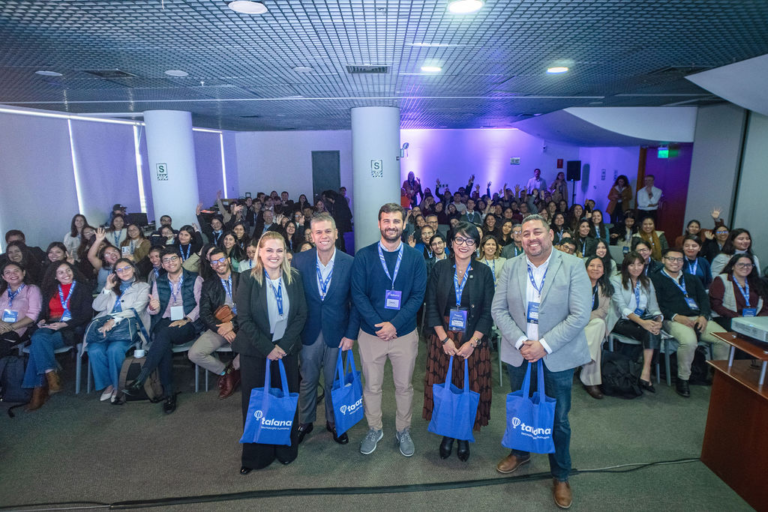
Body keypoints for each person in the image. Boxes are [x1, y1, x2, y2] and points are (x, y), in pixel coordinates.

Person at [491, 214, 591, 509]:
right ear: (519, 238)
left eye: (537, 232)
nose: (531, 238)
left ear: (550, 235)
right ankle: (520, 454)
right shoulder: (510, 266)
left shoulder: (573, 265)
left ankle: (560, 474)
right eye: (525, 233)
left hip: (556, 354)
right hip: (520, 352)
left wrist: (544, 346)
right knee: (521, 407)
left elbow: (580, 315)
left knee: (557, 418)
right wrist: (522, 342)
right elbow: (498, 310)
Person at [351, 203, 427, 457]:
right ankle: (375, 428)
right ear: (379, 223)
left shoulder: (415, 258)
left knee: (404, 386)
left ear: (404, 224)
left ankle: (403, 429)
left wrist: (394, 324)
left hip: (403, 334)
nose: (391, 226)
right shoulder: (364, 256)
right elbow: (358, 295)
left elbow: (417, 296)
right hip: (370, 334)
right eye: (386, 221)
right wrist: (379, 325)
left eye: (396, 221)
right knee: (372, 386)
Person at [234, 232, 308, 473]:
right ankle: (256, 456)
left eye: (279, 250)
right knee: (256, 404)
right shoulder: (247, 278)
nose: (274, 255)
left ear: (285, 253)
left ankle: (285, 450)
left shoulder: (294, 277)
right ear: (260, 252)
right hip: (256, 351)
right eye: (269, 250)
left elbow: (301, 315)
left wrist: (283, 346)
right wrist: (268, 348)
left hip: (286, 350)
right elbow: (244, 319)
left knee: (286, 399)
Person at [423, 223, 494, 462]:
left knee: (468, 386)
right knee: (446, 385)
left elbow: (488, 312)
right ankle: (447, 433)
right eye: (459, 240)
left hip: (472, 338)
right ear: (451, 243)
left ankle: (463, 435)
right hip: (443, 337)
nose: (464, 245)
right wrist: (443, 339)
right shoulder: (440, 268)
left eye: (470, 241)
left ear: (476, 246)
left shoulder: (484, 272)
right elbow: (432, 306)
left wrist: (472, 342)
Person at [291, 213, 359, 445]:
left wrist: (351, 335)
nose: (323, 236)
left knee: (333, 382)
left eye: (328, 231)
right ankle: (305, 421)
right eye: (318, 232)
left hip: (338, 333)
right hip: (308, 332)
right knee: (307, 380)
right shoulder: (299, 261)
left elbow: (356, 304)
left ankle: (334, 421)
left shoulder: (350, 263)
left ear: (336, 233)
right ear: (311, 235)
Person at [122, 248, 203, 413]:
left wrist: (186, 319)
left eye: (173, 259)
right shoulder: (158, 282)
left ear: (181, 260)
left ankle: (143, 378)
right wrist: (153, 307)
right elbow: (154, 310)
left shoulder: (195, 279)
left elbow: (201, 306)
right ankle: (169, 393)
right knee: (163, 341)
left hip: (188, 322)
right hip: (165, 321)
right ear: (163, 265)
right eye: (166, 260)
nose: (170, 263)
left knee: (163, 335)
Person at [651, 248, 729, 398]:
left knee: (724, 339)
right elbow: (656, 304)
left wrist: (704, 316)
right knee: (689, 341)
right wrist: (675, 316)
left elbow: (704, 300)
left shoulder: (692, 278)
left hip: (697, 318)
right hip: (671, 319)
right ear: (663, 260)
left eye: (679, 259)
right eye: (671, 259)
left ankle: (719, 376)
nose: (675, 262)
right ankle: (683, 379)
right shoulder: (655, 279)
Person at [23, 262, 93, 411]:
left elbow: (86, 315)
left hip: (70, 328)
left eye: (68, 270)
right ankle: (51, 376)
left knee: (37, 344)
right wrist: (41, 320)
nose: (66, 274)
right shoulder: (50, 290)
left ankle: (39, 390)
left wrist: (64, 324)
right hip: (50, 325)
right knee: (39, 338)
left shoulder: (83, 288)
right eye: (61, 272)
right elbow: (43, 312)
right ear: (55, 276)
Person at [85, 258, 150, 403]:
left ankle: (118, 386)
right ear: (115, 273)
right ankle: (108, 384)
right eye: (119, 270)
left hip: (127, 326)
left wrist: (114, 320)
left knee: (114, 350)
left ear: (134, 269)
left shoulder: (143, 286)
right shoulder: (113, 287)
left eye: (127, 268)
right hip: (105, 326)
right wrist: (107, 288)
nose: (123, 272)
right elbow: (97, 307)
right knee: (94, 350)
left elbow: (136, 309)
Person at [188, 247, 242, 400]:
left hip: (244, 325)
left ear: (228, 260)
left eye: (221, 259)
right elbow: (204, 313)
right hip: (219, 326)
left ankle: (235, 368)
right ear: (211, 266)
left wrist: (233, 324)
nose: (219, 264)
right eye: (214, 262)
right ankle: (227, 372)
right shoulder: (208, 284)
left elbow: (253, 308)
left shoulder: (244, 278)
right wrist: (221, 328)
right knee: (194, 353)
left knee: (254, 346)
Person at [610, 251, 663, 392]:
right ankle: (646, 374)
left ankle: (645, 371)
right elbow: (622, 308)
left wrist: (658, 321)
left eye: (640, 264)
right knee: (649, 329)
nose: (636, 268)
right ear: (626, 266)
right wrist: (643, 323)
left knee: (653, 330)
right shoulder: (616, 280)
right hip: (621, 321)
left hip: (641, 319)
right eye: (632, 265)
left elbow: (654, 307)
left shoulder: (647, 281)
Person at [579, 256, 613, 399]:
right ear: (585, 268)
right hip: (574, 324)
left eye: (599, 266)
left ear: (603, 271)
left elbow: (603, 311)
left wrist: (586, 317)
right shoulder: (577, 285)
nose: (595, 269)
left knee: (599, 323)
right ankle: (590, 380)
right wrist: (582, 318)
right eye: (592, 265)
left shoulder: (605, 288)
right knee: (596, 341)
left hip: (592, 325)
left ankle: (584, 359)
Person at [709, 254, 768, 330]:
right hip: (727, 318)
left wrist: (758, 318)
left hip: (753, 319)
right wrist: (737, 316)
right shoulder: (722, 280)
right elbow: (716, 305)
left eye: (748, 265)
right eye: (741, 264)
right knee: (746, 331)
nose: (745, 267)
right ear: (732, 266)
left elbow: (765, 304)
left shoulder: (756, 281)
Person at [0, 262, 42, 359]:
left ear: (23, 273)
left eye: (16, 271)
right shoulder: (1, 290)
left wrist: (10, 327)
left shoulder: (32, 289)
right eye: (8, 272)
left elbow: (33, 315)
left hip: (19, 330)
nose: (13, 274)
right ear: (3, 277)